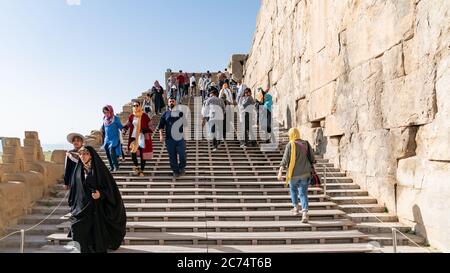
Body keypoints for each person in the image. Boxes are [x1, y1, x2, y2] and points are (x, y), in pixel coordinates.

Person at [67, 146, 127, 253]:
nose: (82, 156)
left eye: (85, 154)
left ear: (91, 155)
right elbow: (74, 190)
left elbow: (111, 189)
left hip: (97, 208)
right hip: (82, 208)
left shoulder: (100, 170)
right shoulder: (78, 169)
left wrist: (101, 194)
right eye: (80, 154)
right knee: (77, 228)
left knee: (96, 233)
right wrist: (73, 206)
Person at [277, 128, 314, 223]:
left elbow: (285, 159)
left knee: (293, 190)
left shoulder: (290, 144)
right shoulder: (306, 143)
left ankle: (296, 208)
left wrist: (280, 171)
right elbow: (312, 158)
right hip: (305, 173)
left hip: (293, 174)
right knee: (303, 193)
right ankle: (304, 213)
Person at [122, 101, 154, 177]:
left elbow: (151, 126)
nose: (135, 107)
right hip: (134, 137)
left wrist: (144, 130)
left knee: (143, 154)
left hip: (143, 137)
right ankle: (136, 166)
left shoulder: (145, 115)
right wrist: (124, 129)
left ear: (140, 106)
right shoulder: (131, 116)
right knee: (133, 153)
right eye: (134, 106)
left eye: (137, 105)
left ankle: (142, 170)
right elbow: (128, 124)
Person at [158, 97, 187, 178]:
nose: (171, 102)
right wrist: (161, 135)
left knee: (182, 154)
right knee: (172, 156)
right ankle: (175, 171)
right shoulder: (165, 114)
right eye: (170, 101)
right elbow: (161, 126)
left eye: (173, 101)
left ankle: (182, 167)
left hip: (180, 137)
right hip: (169, 139)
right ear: (168, 103)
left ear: (175, 103)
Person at [202, 87, 225, 151]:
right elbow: (224, 109)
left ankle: (215, 146)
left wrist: (204, 118)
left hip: (212, 117)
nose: (209, 94)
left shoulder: (208, 100)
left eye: (210, 93)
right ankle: (219, 142)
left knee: (213, 131)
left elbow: (205, 110)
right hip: (220, 117)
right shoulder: (221, 100)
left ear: (212, 94)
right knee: (219, 130)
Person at [101, 105, 123, 172]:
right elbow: (103, 126)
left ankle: (116, 166)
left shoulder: (116, 118)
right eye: (104, 112)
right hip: (107, 139)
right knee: (107, 153)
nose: (106, 114)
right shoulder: (104, 118)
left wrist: (123, 129)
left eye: (107, 112)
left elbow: (120, 126)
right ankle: (111, 166)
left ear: (110, 111)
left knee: (111, 152)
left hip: (114, 138)